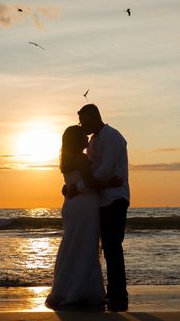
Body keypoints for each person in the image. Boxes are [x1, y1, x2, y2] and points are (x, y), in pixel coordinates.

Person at [45, 125, 106, 309]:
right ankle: (82, 291)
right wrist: (109, 182)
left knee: (72, 245)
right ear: (78, 140)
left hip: (72, 206)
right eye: (83, 136)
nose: (87, 138)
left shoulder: (66, 160)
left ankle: (66, 288)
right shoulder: (81, 158)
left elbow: (73, 183)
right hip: (85, 205)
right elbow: (90, 182)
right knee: (86, 246)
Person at [78, 104, 130, 311]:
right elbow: (94, 169)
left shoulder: (113, 136)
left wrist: (84, 185)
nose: (82, 126)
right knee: (107, 247)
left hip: (116, 198)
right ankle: (113, 290)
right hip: (102, 199)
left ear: (95, 117)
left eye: (84, 122)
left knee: (113, 246)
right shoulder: (93, 140)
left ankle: (119, 293)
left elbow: (105, 170)